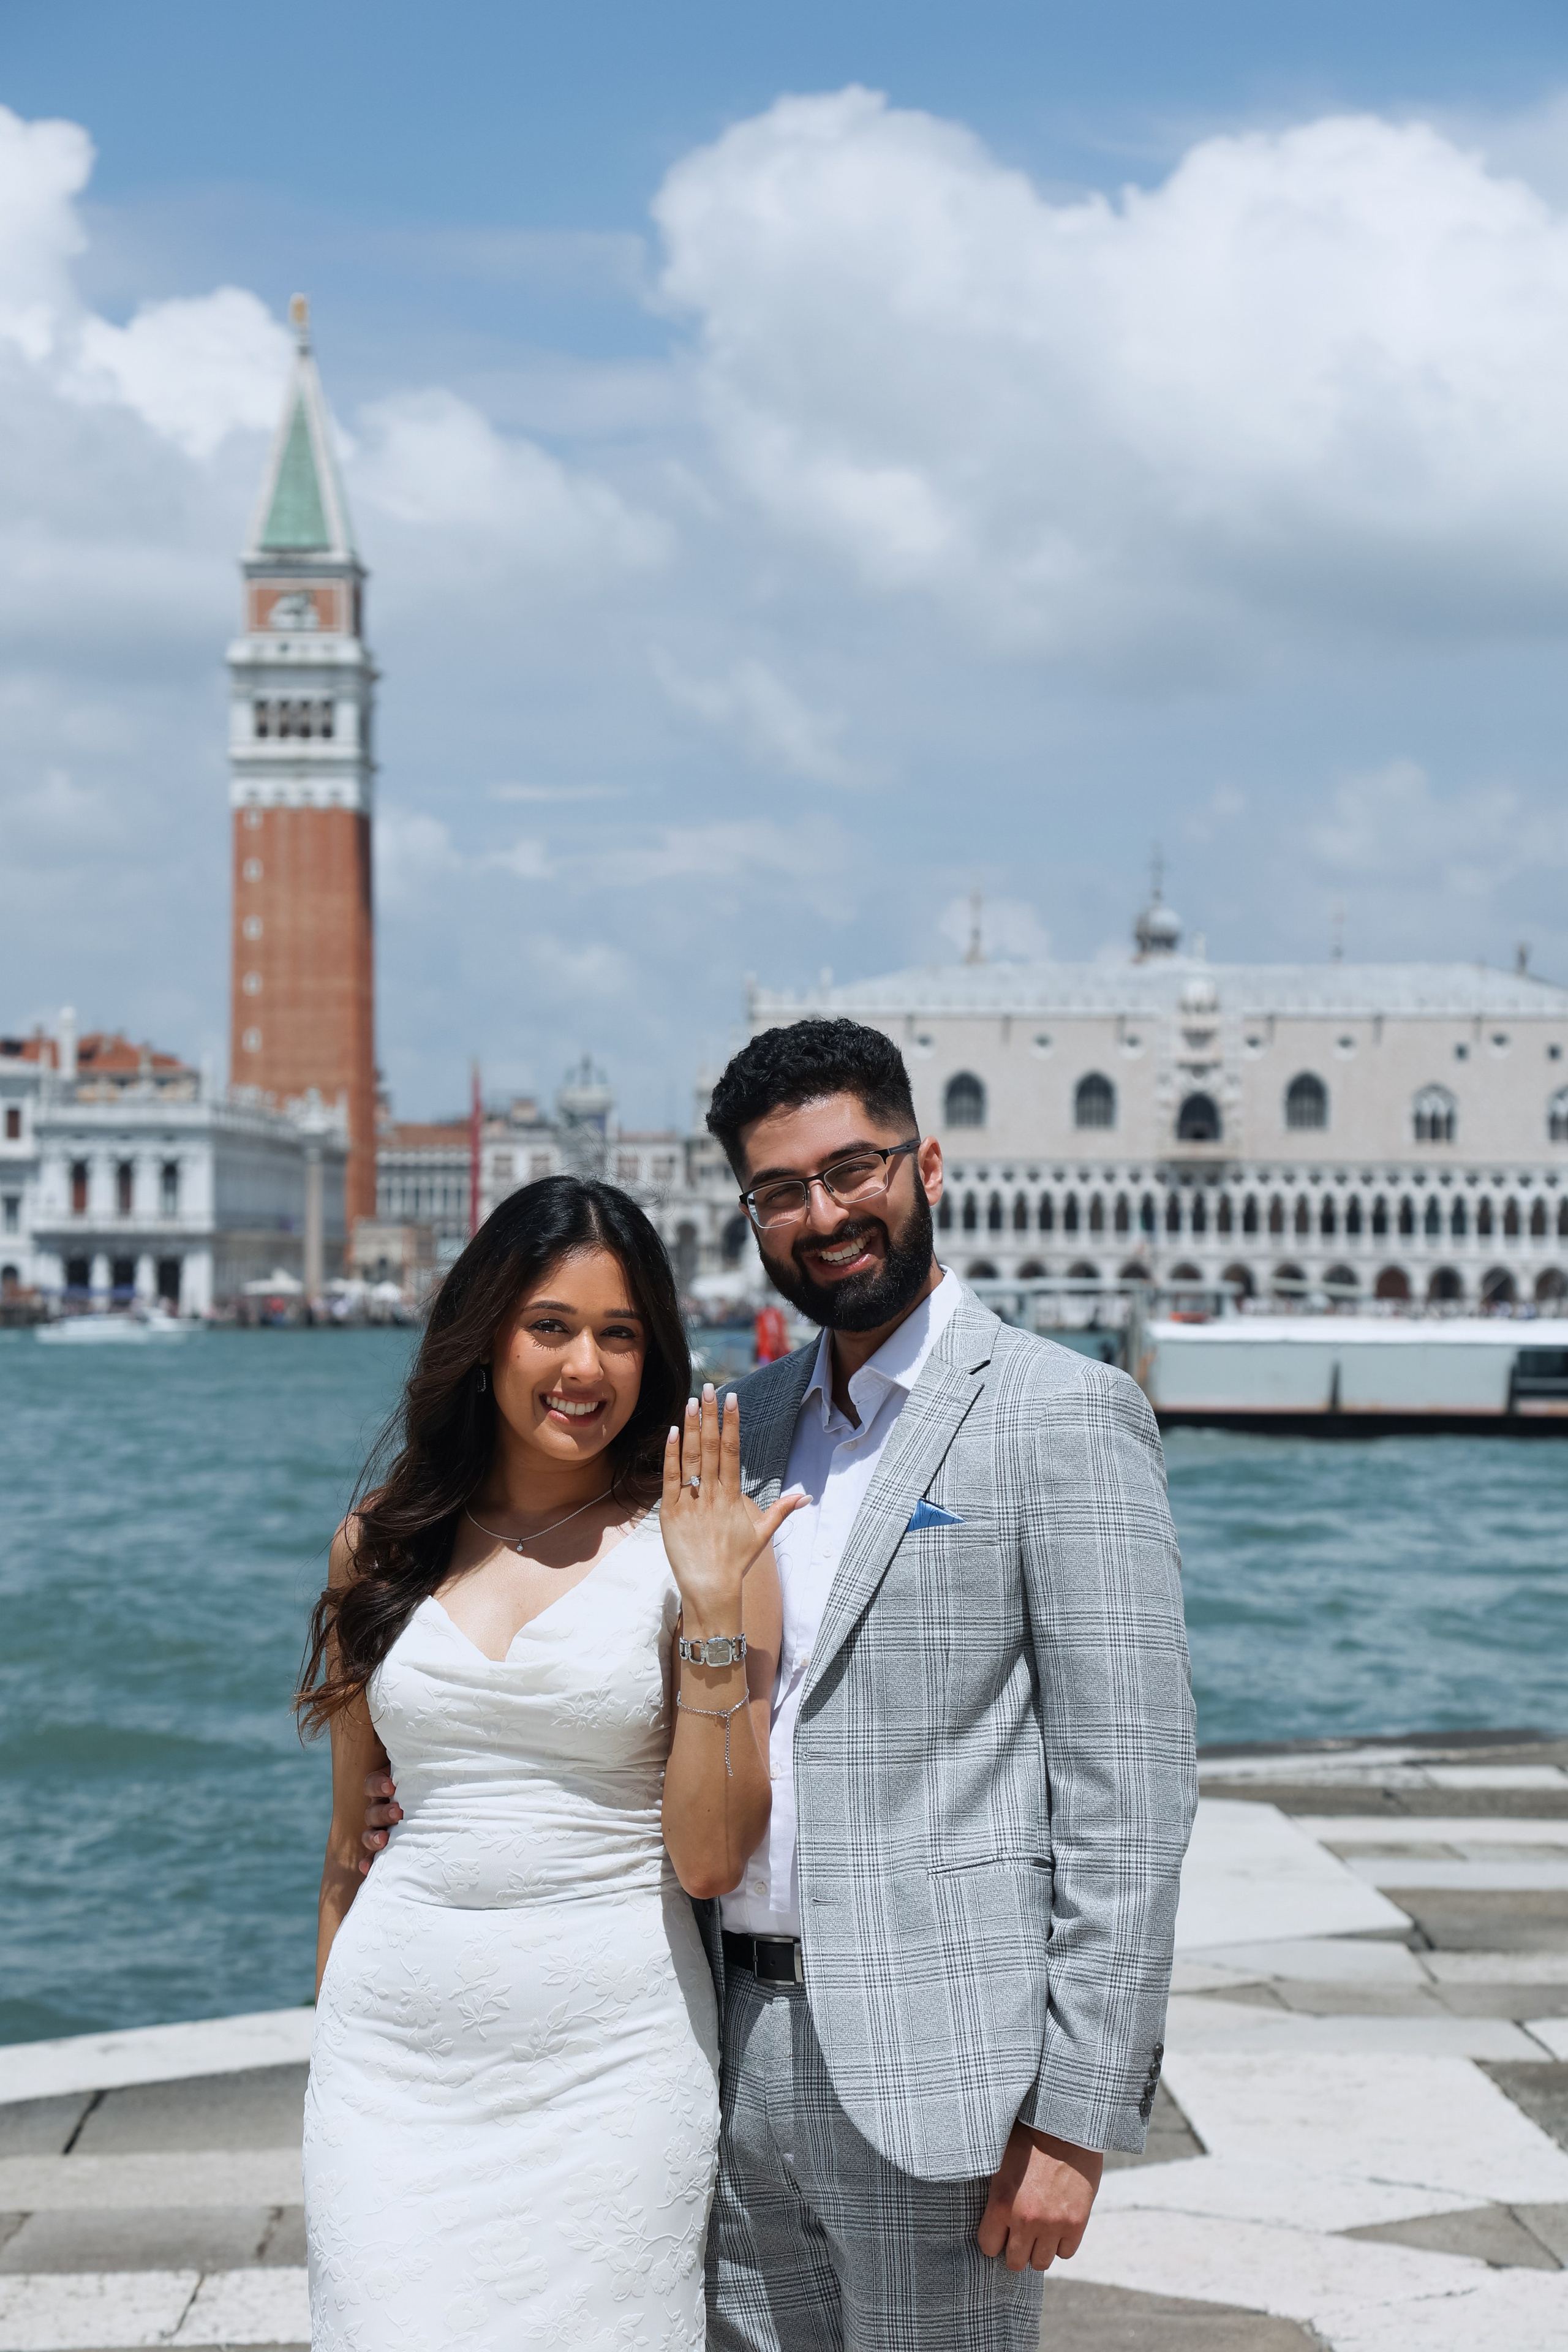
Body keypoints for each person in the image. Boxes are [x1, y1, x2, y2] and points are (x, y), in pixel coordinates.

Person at [364, 1017, 1197, 2350]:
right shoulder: (731, 1426)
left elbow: (1131, 1796)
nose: (824, 1214)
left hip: (945, 2076)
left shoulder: (1062, 1415)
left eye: (851, 1169)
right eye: (780, 1191)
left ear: (925, 1165)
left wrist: (1075, 2117)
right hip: (715, 2047)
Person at [299, 1175, 797, 2350]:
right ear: (486, 1338)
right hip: (389, 2069)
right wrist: (331, 2054)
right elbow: (346, 1854)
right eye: (551, 1326)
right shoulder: (380, 1544)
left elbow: (712, 1859)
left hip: (614, 2067)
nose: (585, 1367)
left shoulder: (703, 1547)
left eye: (620, 1334)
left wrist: (712, 1606)